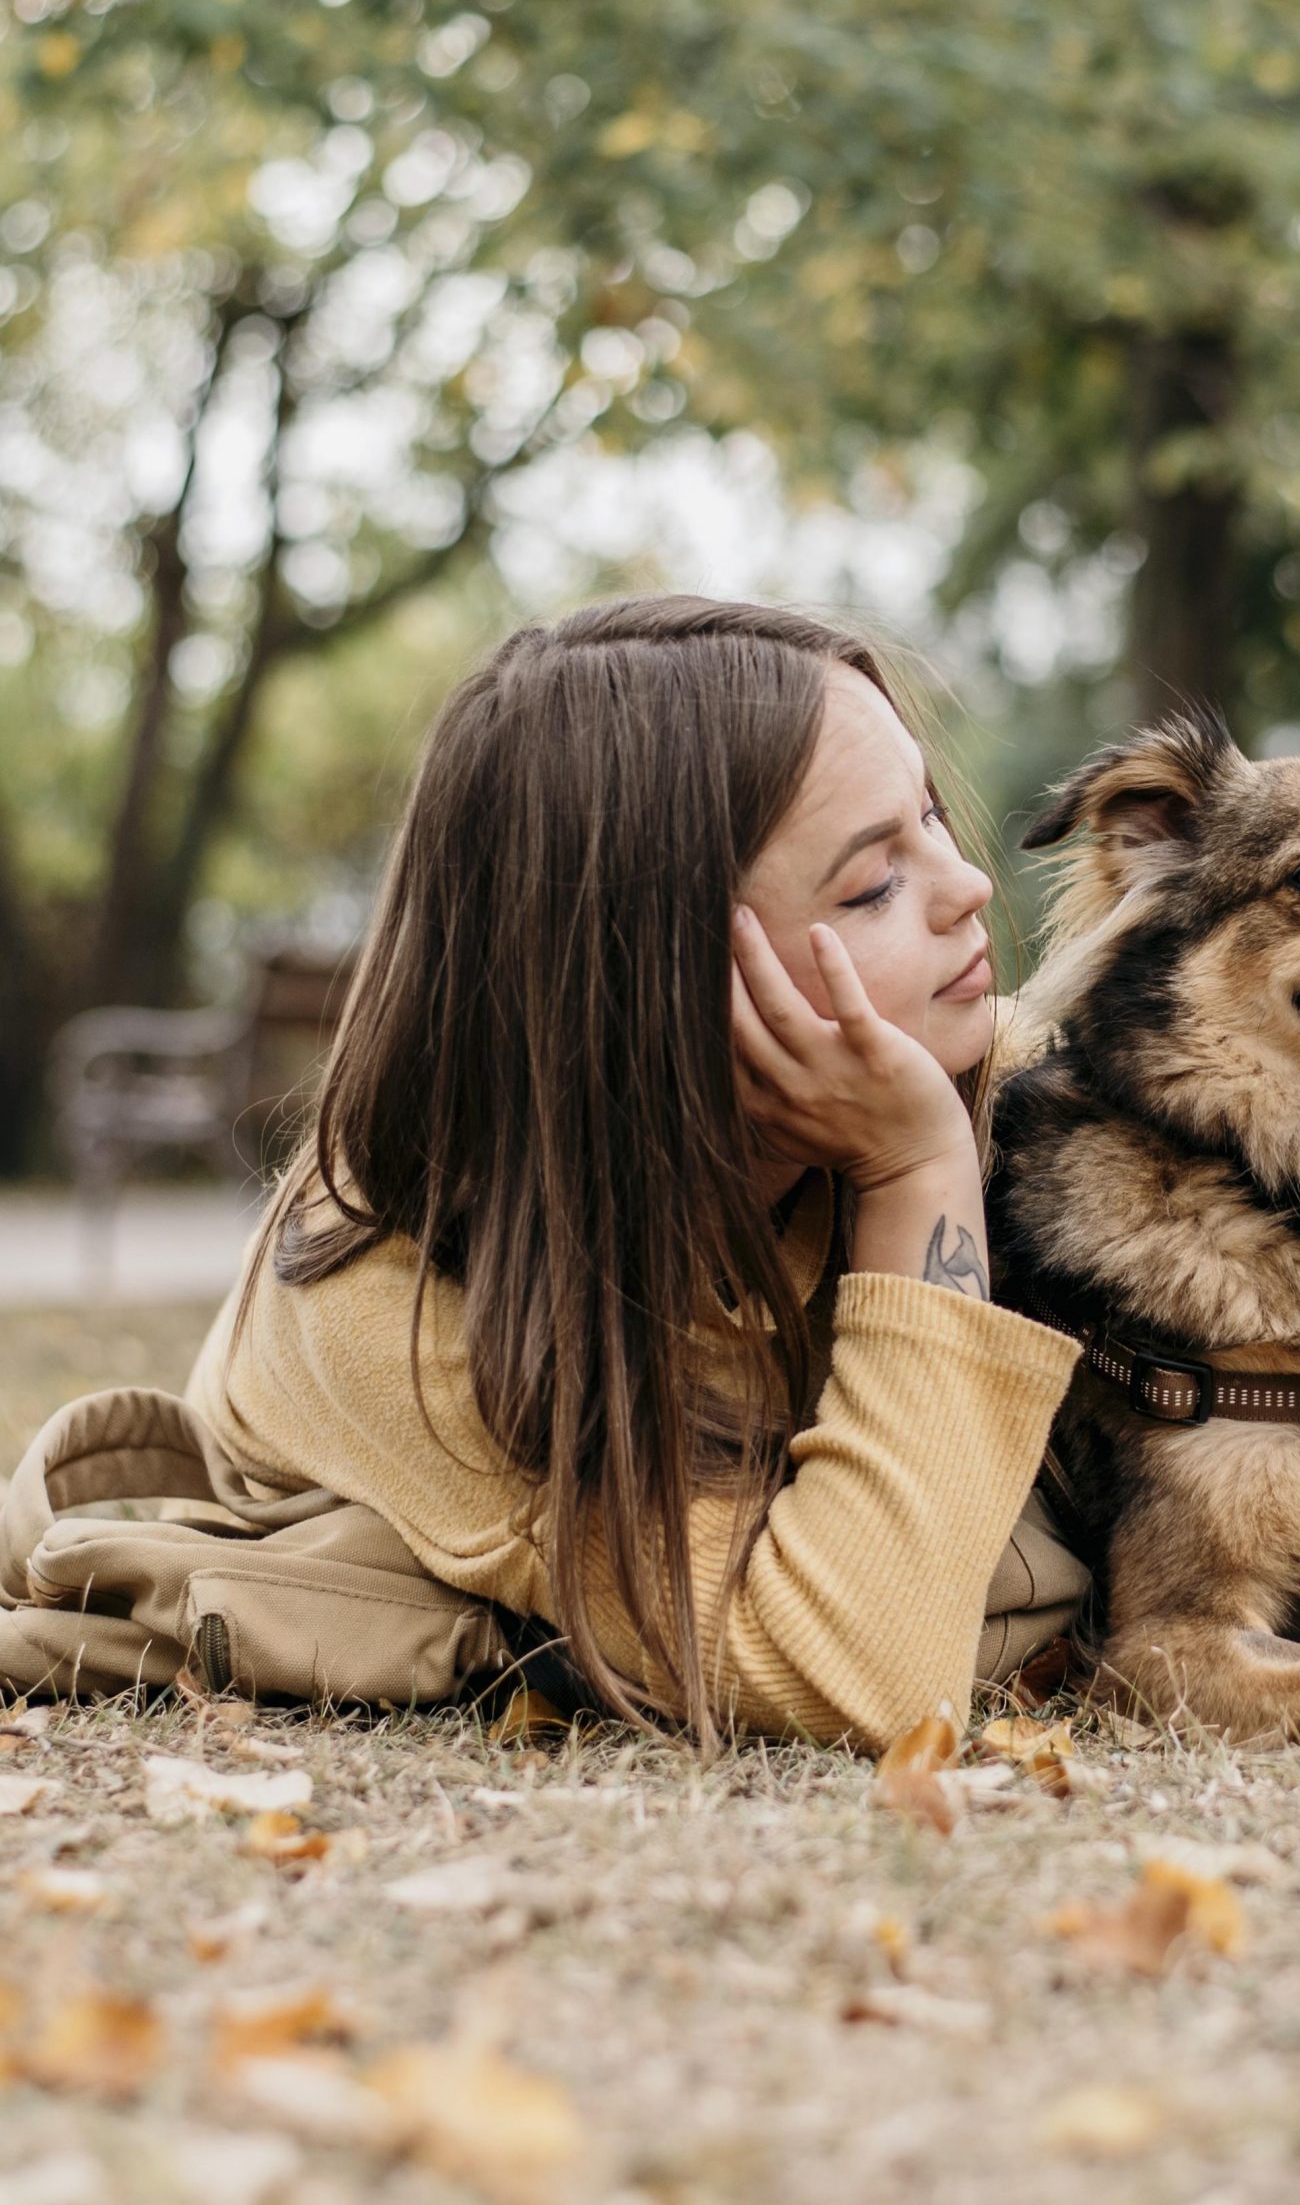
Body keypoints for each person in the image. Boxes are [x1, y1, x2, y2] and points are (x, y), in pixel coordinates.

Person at [188, 596, 1082, 1748]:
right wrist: (916, 1172)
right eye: (871, 885)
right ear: (650, 985)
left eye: (929, 816)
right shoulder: (405, 1314)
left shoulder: (981, 1068)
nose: (965, 885)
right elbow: (863, 1668)